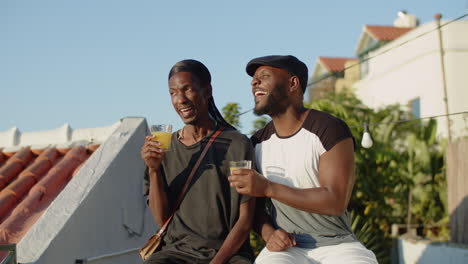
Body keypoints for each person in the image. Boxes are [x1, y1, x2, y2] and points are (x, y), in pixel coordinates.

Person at [228, 55, 378, 263]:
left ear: (293, 83)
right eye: (254, 78)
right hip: (288, 248)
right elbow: (254, 209)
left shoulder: (329, 129)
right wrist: (268, 233)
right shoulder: (257, 142)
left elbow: (336, 201)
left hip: (338, 244)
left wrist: (268, 187)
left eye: (264, 76)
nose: (254, 82)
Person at [141, 59, 255, 264]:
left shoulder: (237, 144)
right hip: (176, 254)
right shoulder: (163, 149)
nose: (180, 99)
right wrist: (153, 170)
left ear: (207, 91)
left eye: (187, 89)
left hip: (230, 255)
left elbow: (245, 219)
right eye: (173, 93)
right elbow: (161, 219)